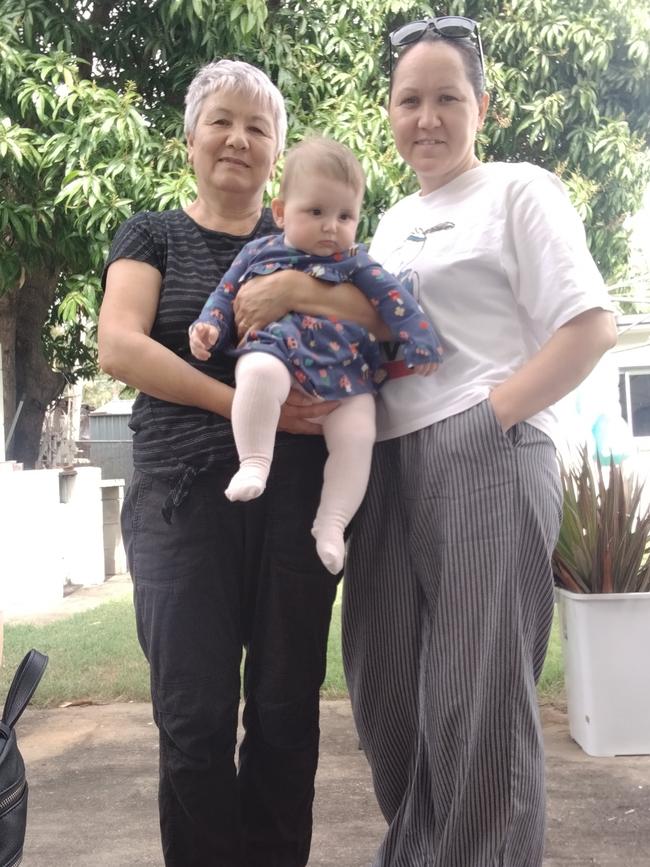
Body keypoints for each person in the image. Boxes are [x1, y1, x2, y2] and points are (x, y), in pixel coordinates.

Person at [231, 16, 617, 867]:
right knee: (388, 693)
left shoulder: (519, 190)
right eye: (411, 100)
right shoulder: (392, 217)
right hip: (386, 461)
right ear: (392, 111)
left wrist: (494, 414)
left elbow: (591, 326)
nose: (428, 117)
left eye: (448, 97)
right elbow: (375, 320)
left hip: (485, 450)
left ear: (484, 105)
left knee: (477, 701)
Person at [97, 59, 384, 867]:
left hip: (294, 502)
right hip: (181, 505)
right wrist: (234, 404)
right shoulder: (152, 232)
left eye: (259, 128)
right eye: (221, 120)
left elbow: (382, 312)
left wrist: (294, 289)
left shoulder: (309, 236)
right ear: (191, 137)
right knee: (192, 718)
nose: (238, 139)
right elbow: (119, 344)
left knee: (287, 715)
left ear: (279, 157)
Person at [189, 136, 442, 574]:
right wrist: (209, 324)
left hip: (346, 379)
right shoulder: (258, 252)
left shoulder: (358, 263)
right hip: (277, 352)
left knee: (359, 433)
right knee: (258, 373)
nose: (331, 227)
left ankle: (332, 522)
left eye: (345, 216)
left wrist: (421, 342)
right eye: (316, 212)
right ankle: (253, 462)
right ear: (282, 212)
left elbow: (398, 303)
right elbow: (225, 293)